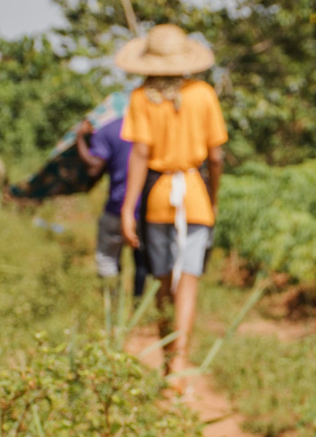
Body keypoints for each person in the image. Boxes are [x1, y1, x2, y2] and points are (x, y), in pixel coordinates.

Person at [116, 24, 227, 394]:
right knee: (188, 282)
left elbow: (141, 156)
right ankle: (179, 361)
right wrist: (212, 197)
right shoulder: (204, 94)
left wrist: (128, 207)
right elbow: (215, 156)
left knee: (163, 281)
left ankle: (168, 362)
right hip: (193, 195)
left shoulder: (140, 98)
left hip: (158, 199)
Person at [76, 117, 148, 297]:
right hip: (147, 209)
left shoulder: (108, 130)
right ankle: (137, 307)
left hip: (118, 206)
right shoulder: (152, 127)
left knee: (108, 259)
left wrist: (79, 138)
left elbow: (94, 168)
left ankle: (111, 308)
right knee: (141, 262)